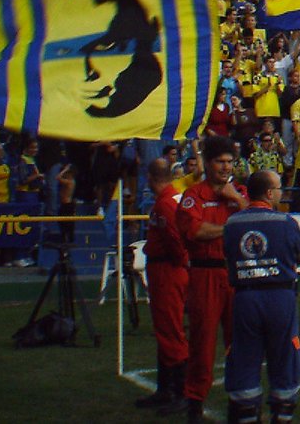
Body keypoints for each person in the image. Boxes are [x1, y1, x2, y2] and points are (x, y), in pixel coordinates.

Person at [223, 170, 300, 424]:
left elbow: (227, 254)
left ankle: (247, 412)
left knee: (245, 355)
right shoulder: (285, 222)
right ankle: (282, 413)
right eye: (279, 188)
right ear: (270, 193)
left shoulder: (232, 223)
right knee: (284, 356)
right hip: (279, 296)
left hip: (245, 298)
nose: (281, 193)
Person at [175, 136, 248, 422]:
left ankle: (238, 396)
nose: (225, 167)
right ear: (208, 163)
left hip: (234, 274)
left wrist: (238, 200)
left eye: (230, 162)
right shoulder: (195, 195)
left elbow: (253, 222)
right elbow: (195, 231)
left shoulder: (238, 193)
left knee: (239, 340)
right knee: (202, 341)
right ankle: (194, 398)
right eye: (220, 161)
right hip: (205, 273)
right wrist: (230, 224)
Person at [134, 158, 189, 411]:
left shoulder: (165, 204)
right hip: (166, 269)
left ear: (151, 177)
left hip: (167, 270)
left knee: (170, 329)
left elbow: (176, 241)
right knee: (165, 329)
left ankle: (179, 392)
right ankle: (166, 388)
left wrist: (179, 262)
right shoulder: (172, 199)